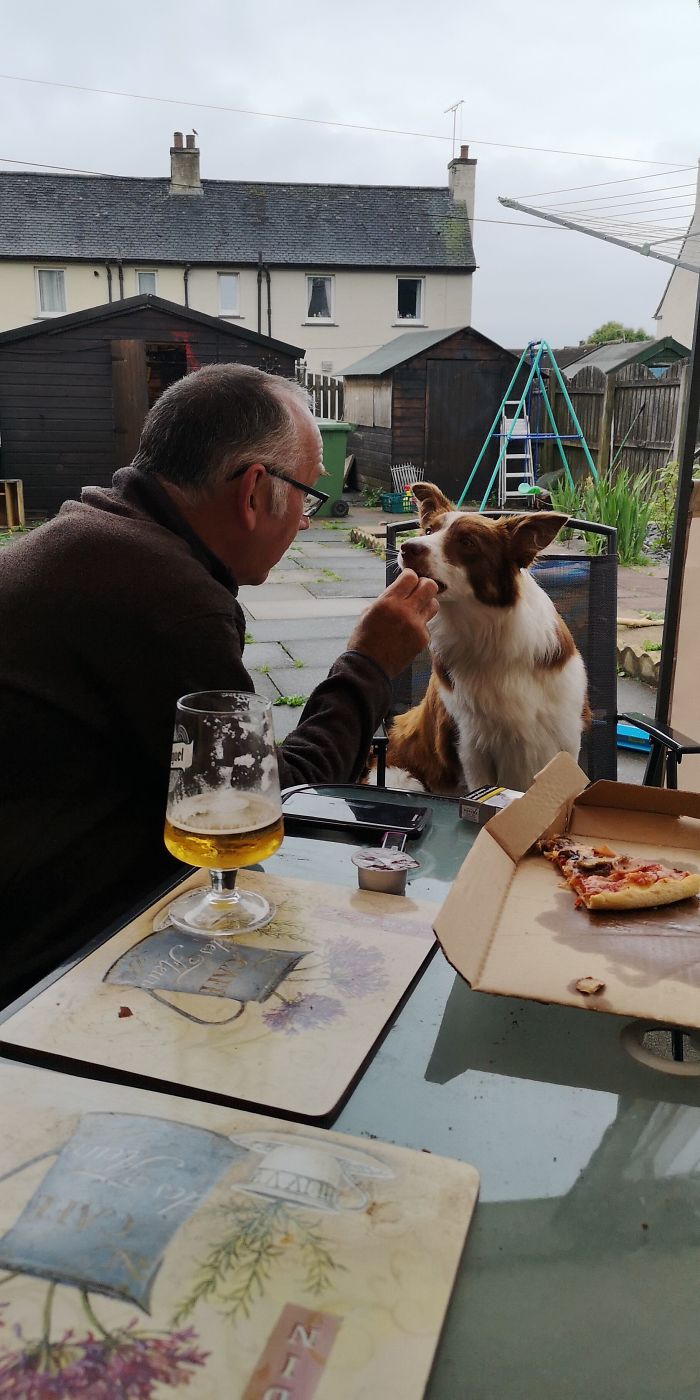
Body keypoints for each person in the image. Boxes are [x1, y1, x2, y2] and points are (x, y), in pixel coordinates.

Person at [0, 363, 438, 1003]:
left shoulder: (95, 538)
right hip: (44, 970)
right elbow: (266, 801)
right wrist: (369, 664)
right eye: (308, 495)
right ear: (255, 490)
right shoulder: (160, 593)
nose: (306, 521)